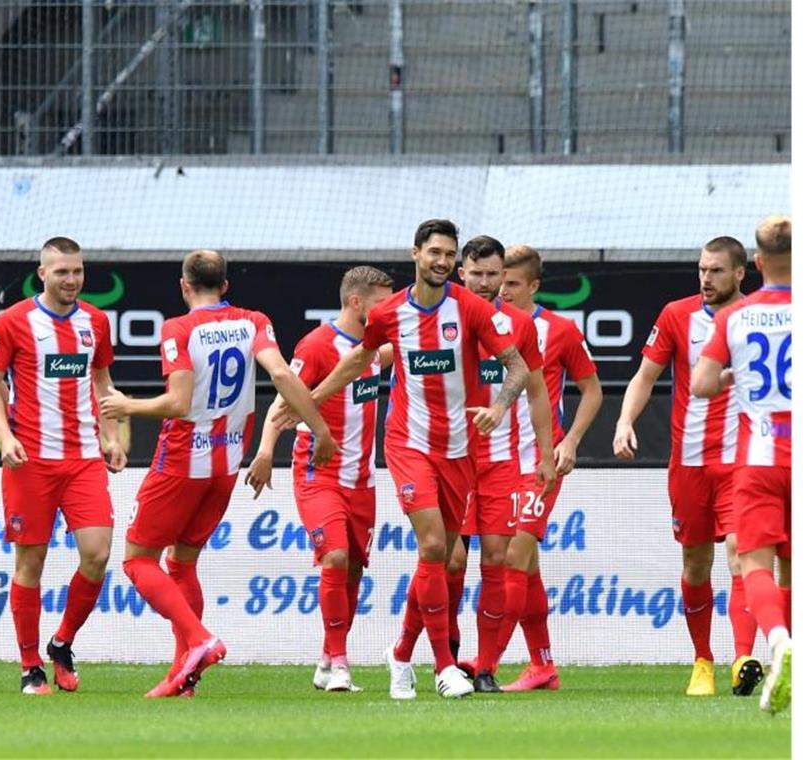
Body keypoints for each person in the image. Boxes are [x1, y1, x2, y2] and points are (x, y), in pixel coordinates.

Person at [274, 219, 534, 700]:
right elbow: (357, 361)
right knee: (436, 546)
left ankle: (400, 655)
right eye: (434, 252)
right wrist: (307, 399)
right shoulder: (391, 313)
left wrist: (499, 407)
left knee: (441, 557)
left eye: (448, 254)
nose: (441, 261)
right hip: (408, 443)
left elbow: (517, 366)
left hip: (460, 448)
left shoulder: (472, 311)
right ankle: (444, 666)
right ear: (416, 254)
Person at [99, 249, 337, 698]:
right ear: (225, 286)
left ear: (184, 285)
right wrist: (320, 429)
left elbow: (178, 403)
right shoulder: (252, 321)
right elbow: (283, 376)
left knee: (137, 560)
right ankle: (182, 677)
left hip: (182, 461)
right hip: (227, 463)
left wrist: (127, 405)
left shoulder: (179, 328)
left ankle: (201, 640)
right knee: (182, 561)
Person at [612, 236, 763, 697]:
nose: (706, 278)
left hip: (744, 459)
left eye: (716, 270)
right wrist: (623, 421)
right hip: (690, 463)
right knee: (696, 563)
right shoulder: (677, 315)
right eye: (701, 269)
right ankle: (703, 661)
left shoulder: (757, 315)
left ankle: (743, 658)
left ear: (740, 273)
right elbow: (645, 376)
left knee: (741, 552)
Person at [0, 237, 127, 695]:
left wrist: (111, 435)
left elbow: (101, 380)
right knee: (31, 562)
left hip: (83, 458)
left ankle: (61, 643)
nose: (72, 280)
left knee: (98, 554)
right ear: (42, 273)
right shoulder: (14, 321)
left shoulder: (96, 321)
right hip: (31, 461)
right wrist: (5, 437)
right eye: (62, 272)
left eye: (78, 271)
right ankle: (30, 666)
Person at [245, 265, 396, 693]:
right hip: (318, 473)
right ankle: (342, 664)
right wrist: (265, 450)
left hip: (362, 480)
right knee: (333, 559)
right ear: (356, 302)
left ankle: (328, 658)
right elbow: (283, 402)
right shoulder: (316, 346)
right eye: (382, 304)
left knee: (351, 572)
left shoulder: (377, 347)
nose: (388, 312)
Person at [691, 215, 791, 715]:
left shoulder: (737, 317)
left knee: (751, 562)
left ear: (756, 263)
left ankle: (779, 645)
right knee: (796, 571)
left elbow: (701, 385)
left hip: (759, 459)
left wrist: (735, 375)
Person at [492, 244, 602, 692]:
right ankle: (542, 665)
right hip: (494, 461)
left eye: (513, 284)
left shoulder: (560, 330)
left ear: (534, 286)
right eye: (500, 281)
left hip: (541, 461)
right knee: (525, 564)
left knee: (514, 557)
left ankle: (485, 663)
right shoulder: (485, 324)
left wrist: (571, 441)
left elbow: (592, 390)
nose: (504, 291)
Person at [447, 236, 555, 693]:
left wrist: (547, 454)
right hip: (448, 457)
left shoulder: (517, 325)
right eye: (479, 274)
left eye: (495, 275)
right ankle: (442, 656)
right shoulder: (438, 319)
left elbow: (536, 392)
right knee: (446, 559)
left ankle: (486, 665)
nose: (488, 283)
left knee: (497, 560)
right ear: (461, 274)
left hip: (501, 463)